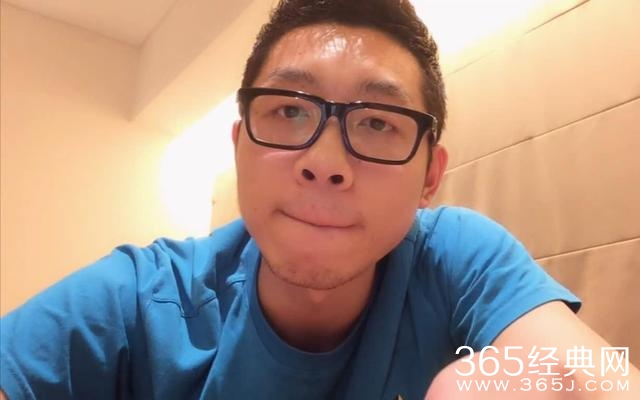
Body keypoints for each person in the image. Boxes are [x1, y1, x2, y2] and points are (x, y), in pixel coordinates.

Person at [1, 0, 638, 399]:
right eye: (288, 111)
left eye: (378, 122)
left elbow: (599, 375)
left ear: (430, 177)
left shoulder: (456, 257)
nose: (326, 163)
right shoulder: (139, 302)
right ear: (239, 146)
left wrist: (511, 380)